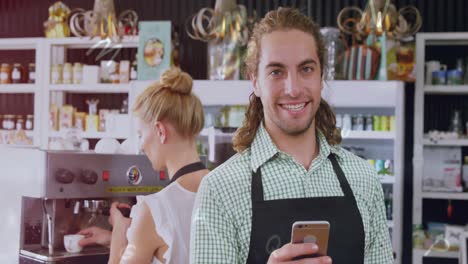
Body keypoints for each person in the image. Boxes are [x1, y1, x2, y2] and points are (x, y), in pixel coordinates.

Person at [190, 7, 393, 264]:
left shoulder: (363, 179)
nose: (293, 89)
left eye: (306, 69)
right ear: (255, 81)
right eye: (276, 72)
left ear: (321, 76)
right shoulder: (220, 189)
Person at [78, 67, 209, 264]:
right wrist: (125, 239)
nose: (141, 144)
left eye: (141, 134)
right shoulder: (225, 189)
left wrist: (118, 236)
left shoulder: (154, 209)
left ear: (160, 131)